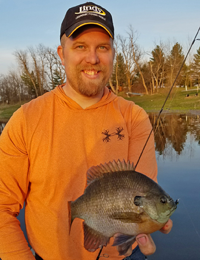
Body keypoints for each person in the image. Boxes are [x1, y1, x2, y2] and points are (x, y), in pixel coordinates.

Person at [0, 2, 172, 260]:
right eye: (80, 46)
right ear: (61, 53)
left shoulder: (134, 118)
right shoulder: (25, 120)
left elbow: (143, 199)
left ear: (113, 53)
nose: (92, 58)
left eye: (102, 47)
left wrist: (149, 225)